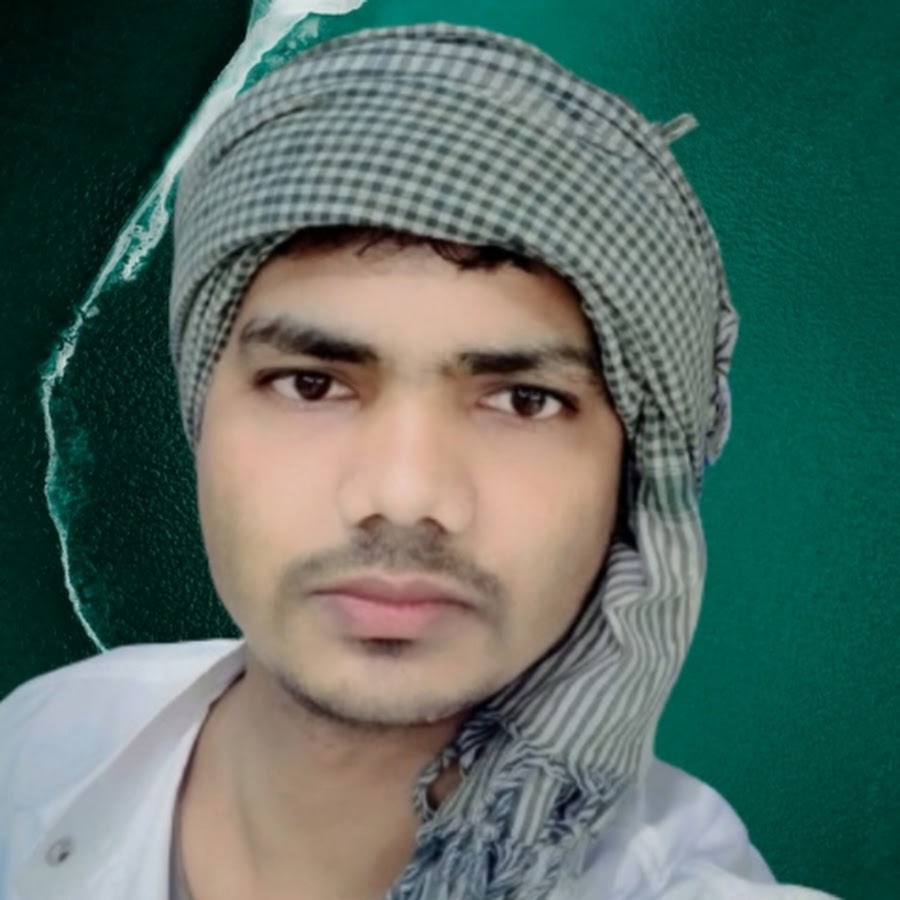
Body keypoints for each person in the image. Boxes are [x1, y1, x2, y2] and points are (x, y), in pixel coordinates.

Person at [0, 22, 837, 900]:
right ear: (201, 416)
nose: (403, 495)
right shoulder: (45, 738)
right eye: (312, 384)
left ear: (633, 485)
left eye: (524, 401)